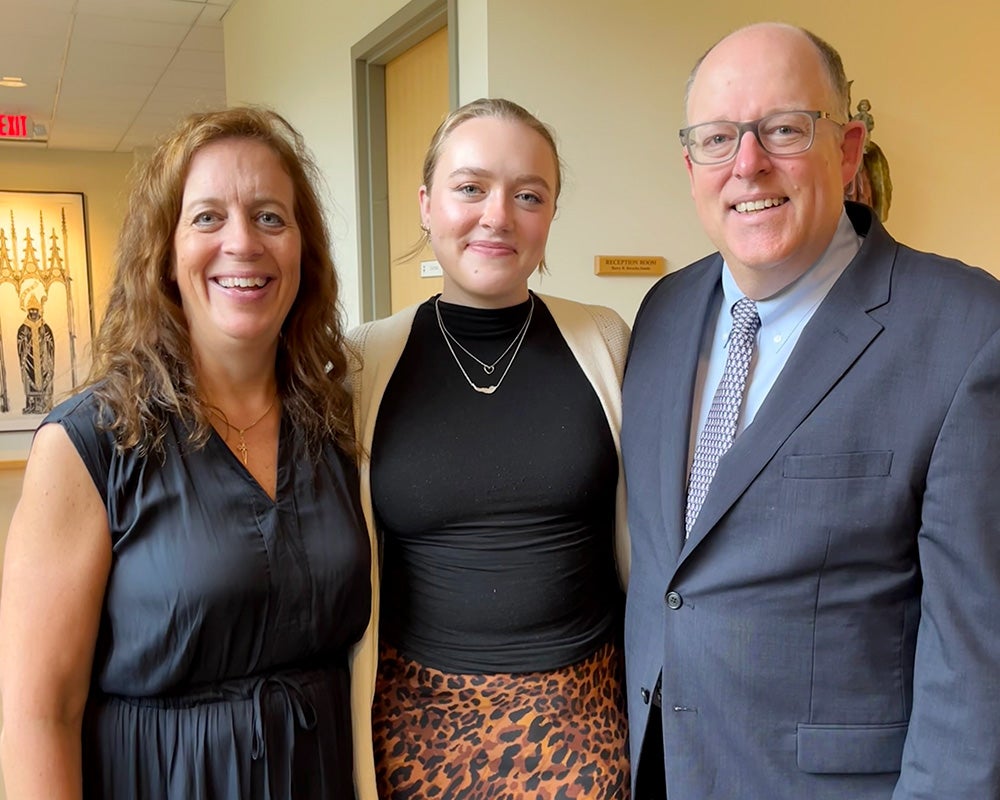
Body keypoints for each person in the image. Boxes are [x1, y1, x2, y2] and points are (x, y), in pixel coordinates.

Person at [622, 22, 1000, 800]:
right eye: (719, 138)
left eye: (784, 129)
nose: (748, 163)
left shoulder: (966, 329)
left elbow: (978, 657)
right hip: (661, 768)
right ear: (690, 164)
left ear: (848, 147)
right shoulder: (660, 314)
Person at [0, 107, 374, 799]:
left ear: (303, 249)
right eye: (207, 218)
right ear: (165, 255)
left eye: (270, 217)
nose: (243, 243)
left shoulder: (335, 425)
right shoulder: (89, 445)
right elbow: (36, 714)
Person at [347, 97, 631, 799]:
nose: (497, 215)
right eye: (470, 187)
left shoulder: (605, 342)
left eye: (528, 194)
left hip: (583, 721)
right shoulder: (362, 362)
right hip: (414, 724)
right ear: (426, 204)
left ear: (551, 214)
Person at [16, 290, 56, 414]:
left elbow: (51, 343)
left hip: (43, 359)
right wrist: (25, 341)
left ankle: (45, 404)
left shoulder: (45, 326)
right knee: (30, 381)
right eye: (31, 310)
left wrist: (44, 339)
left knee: (44, 381)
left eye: (35, 310)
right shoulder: (23, 327)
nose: (33, 312)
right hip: (29, 360)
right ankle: (31, 405)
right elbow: (20, 342)